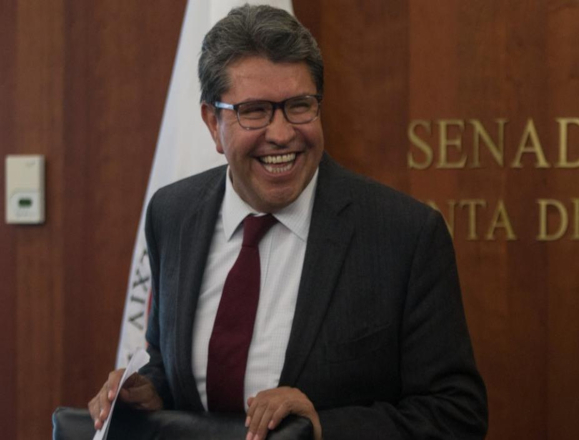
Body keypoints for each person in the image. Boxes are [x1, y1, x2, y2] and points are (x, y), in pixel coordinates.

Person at [89, 5, 488, 440]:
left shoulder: (405, 235)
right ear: (212, 123)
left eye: (299, 106)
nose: (281, 134)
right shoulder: (172, 214)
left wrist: (321, 428)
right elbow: (170, 364)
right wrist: (149, 393)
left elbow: (456, 415)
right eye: (255, 111)